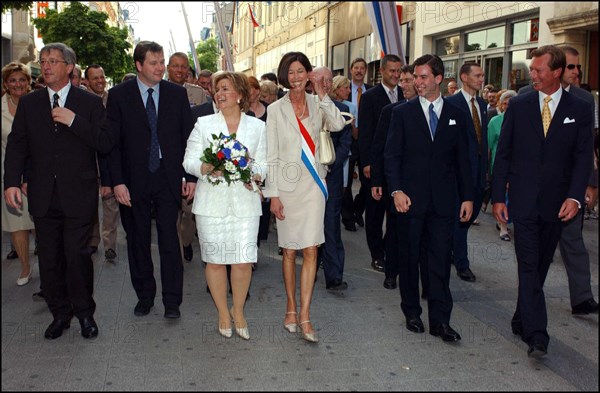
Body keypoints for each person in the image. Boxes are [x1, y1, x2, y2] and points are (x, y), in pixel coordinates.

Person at [4, 42, 114, 340]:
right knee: (50, 259)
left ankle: (85, 314)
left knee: (77, 256)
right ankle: (60, 314)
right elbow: (17, 145)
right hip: (41, 194)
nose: (47, 65)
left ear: (69, 67)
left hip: (78, 195)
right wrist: (12, 181)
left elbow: (105, 143)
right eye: (44, 60)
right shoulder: (30, 103)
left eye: (53, 60)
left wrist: (74, 120)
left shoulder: (89, 103)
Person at [492, 45, 593, 357]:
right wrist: (497, 197)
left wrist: (576, 197)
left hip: (559, 204)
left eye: (538, 70)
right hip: (522, 201)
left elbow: (582, 158)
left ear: (557, 72)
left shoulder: (580, 106)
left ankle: (523, 316)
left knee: (538, 266)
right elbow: (503, 154)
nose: (532, 74)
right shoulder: (519, 105)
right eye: (532, 69)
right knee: (528, 262)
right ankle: (537, 334)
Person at [385, 54, 473, 343]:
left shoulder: (457, 115)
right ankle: (412, 312)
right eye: (415, 77)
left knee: (438, 262)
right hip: (409, 201)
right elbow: (392, 156)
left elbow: (464, 160)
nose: (417, 82)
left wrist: (468, 197)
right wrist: (396, 190)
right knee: (409, 259)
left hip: (444, 204)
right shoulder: (402, 113)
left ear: (438, 78)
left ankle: (440, 321)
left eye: (423, 77)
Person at [107, 41, 196, 320]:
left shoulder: (176, 94)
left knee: (171, 241)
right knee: (138, 240)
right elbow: (113, 144)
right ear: (139, 65)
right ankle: (145, 296)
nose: (160, 68)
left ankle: (172, 301)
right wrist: (117, 182)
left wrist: (190, 176)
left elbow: (188, 138)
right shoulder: (119, 96)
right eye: (154, 63)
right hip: (133, 182)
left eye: (162, 62)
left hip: (168, 179)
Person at [263, 51, 345, 343]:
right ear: (285, 76)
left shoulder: (317, 102)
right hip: (286, 189)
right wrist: (272, 195)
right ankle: (290, 306)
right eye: (292, 72)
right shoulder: (275, 110)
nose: (296, 78)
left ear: (308, 74)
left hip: (313, 187)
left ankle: (306, 314)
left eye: (302, 72)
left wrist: (322, 94)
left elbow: (338, 125)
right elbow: (270, 156)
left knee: (311, 249)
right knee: (289, 250)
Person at [183, 71, 266, 340]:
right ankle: (221, 311)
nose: (220, 94)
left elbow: (265, 162)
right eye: (217, 90)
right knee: (216, 261)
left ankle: (238, 310)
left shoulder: (257, 127)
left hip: (245, 202)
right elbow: (188, 160)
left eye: (226, 89)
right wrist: (205, 166)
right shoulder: (204, 124)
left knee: (243, 260)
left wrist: (255, 172)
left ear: (240, 95)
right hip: (211, 204)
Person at [370, 64, 420, 291]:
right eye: (403, 81)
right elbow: (381, 149)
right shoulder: (391, 111)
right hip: (396, 184)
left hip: (422, 186)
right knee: (394, 231)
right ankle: (391, 272)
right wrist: (378, 180)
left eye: (409, 80)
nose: (405, 85)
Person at [358, 54, 403, 273]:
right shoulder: (370, 97)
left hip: (397, 166)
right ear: (382, 72)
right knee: (374, 213)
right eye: (392, 71)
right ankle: (377, 254)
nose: (396, 75)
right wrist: (366, 163)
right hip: (376, 165)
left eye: (398, 71)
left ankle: (388, 248)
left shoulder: (406, 94)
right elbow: (365, 133)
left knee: (394, 213)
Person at [446, 62, 489, 282]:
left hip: (479, 173)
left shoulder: (482, 104)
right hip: (458, 174)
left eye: (482, 75)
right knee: (460, 219)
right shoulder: (450, 103)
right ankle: (462, 262)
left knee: (468, 217)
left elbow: (482, 143)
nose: (482, 79)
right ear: (464, 77)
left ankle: (454, 251)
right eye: (478, 75)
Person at [167, 52, 207, 263]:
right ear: (168, 68)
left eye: (184, 67)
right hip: (170, 160)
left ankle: (185, 240)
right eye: (175, 66)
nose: (180, 70)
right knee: (171, 210)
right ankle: (176, 253)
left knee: (190, 209)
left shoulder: (198, 94)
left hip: (193, 159)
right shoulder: (159, 92)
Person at [315, 67, 352, 291]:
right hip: (307, 179)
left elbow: (345, 144)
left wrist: (329, 169)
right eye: (321, 80)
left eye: (329, 80)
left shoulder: (342, 110)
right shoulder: (304, 107)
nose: (326, 84)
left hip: (332, 177)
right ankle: (312, 262)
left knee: (331, 225)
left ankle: (334, 275)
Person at [1, 61, 36, 286]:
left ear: (28, 82)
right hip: (9, 175)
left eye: (22, 79)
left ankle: (52, 268)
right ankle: (25, 267)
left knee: (43, 222)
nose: (17, 84)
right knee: (17, 224)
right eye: (12, 80)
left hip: (37, 173)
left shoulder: (38, 104)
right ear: (5, 84)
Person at [84, 64, 120, 262]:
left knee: (110, 204)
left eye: (102, 77)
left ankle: (109, 245)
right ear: (87, 81)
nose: (99, 81)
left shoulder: (114, 99)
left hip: (109, 157)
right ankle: (93, 240)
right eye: (95, 78)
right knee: (90, 204)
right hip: (87, 161)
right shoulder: (81, 101)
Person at [343, 58, 373, 232]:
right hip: (349, 140)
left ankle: (358, 208)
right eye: (356, 68)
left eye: (362, 68)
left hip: (366, 141)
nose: (359, 71)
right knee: (346, 181)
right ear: (351, 70)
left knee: (368, 181)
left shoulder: (371, 91)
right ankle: (348, 218)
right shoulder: (344, 89)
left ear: (366, 71)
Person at [487, 90, 517, 241]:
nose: (508, 106)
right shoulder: (495, 122)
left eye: (511, 103)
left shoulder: (523, 121)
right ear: (501, 104)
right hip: (500, 166)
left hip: (518, 167)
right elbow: (489, 146)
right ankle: (503, 228)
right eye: (505, 103)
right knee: (503, 197)